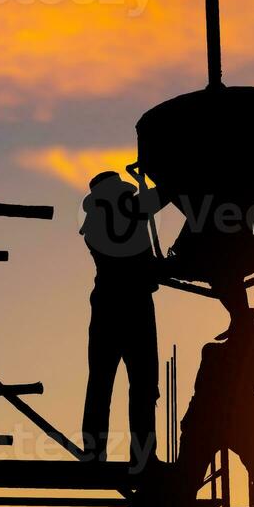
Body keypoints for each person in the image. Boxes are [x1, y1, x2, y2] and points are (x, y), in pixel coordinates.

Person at [79, 169, 169, 468]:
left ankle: (94, 453)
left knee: (101, 381)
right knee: (143, 384)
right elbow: (170, 191)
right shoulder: (135, 206)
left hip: (106, 303)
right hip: (136, 304)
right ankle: (142, 457)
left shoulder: (92, 225)